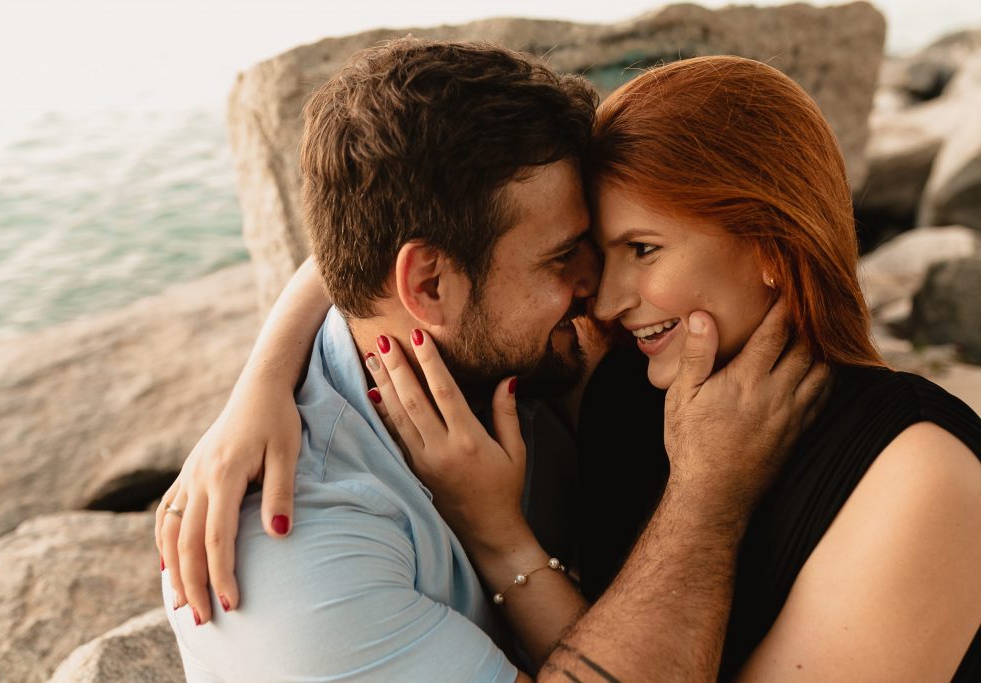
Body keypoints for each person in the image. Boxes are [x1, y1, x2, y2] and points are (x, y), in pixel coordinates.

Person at [158, 40, 822, 681]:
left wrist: (263, 373)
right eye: (563, 256)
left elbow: (358, 249)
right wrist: (708, 494)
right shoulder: (297, 566)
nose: (605, 289)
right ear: (428, 287)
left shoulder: (497, 348)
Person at [361, 57, 981, 680]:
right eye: (599, 255)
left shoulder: (923, 474)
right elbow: (413, 214)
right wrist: (271, 376)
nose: (605, 300)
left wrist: (503, 541)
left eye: (644, 249)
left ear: (771, 242)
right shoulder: (617, 391)